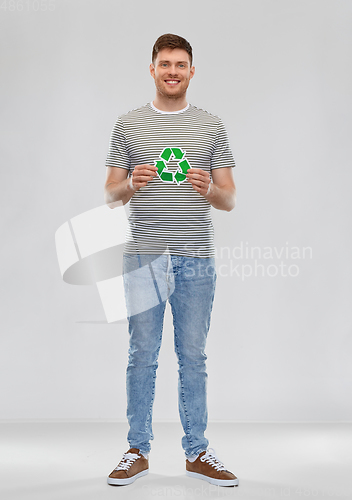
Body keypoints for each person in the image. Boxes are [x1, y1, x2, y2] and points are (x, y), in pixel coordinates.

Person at [104, 33, 238, 487]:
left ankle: (197, 451)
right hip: (144, 256)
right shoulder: (128, 124)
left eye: (181, 64)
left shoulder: (211, 126)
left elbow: (229, 200)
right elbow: (109, 195)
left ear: (192, 71)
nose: (173, 71)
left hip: (195, 258)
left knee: (193, 356)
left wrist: (209, 190)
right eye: (165, 64)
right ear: (153, 69)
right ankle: (136, 450)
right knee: (142, 354)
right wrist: (131, 185)